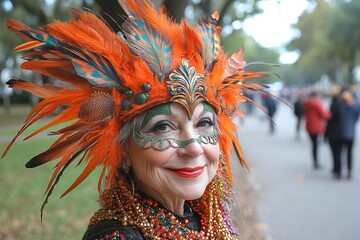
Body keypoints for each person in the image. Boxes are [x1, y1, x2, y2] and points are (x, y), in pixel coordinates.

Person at [2, 0, 271, 239]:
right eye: (163, 126)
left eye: (204, 123)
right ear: (124, 152)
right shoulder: (117, 236)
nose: (194, 147)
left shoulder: (203, 214)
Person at [334, 90, 360, 179]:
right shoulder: (356, 107)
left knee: (339, 153)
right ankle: (349, 171)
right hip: (351, 134)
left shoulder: (339, 106)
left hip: (340, 133)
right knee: (349, 153)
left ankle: (339, 172)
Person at [304, 90, 331, 169]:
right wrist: (331, 114)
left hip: (309, 125)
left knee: (314, 144)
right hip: (316, 126)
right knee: (315, 145)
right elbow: (324, 115)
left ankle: (315, 160)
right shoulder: (317, 103)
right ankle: (316, 162)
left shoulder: (307, 103)